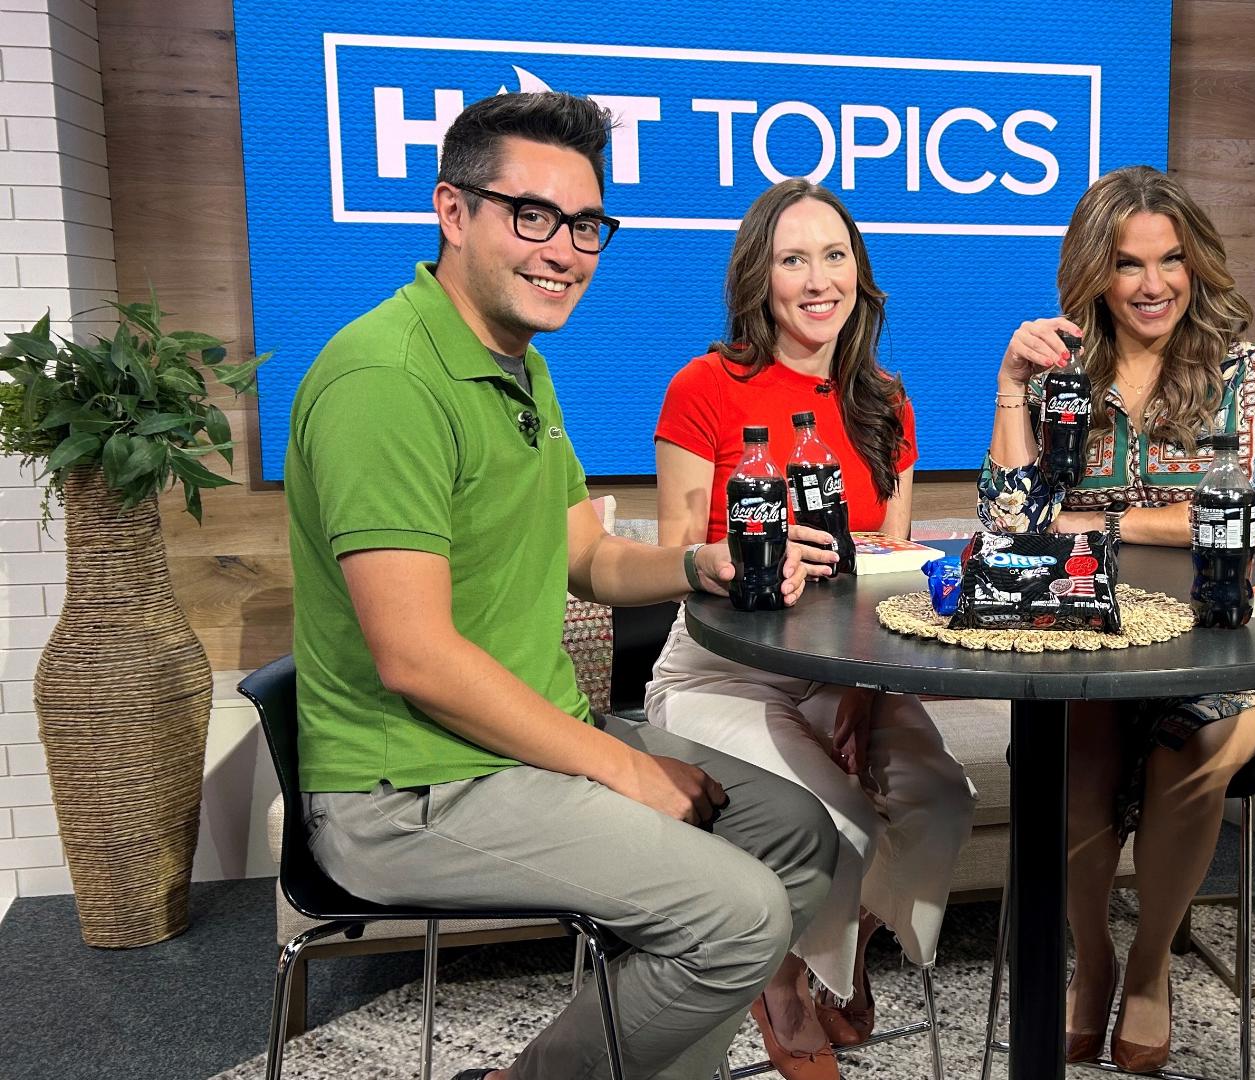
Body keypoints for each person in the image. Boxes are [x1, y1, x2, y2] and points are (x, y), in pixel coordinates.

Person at [284, 92, 840, 1080]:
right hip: (409, 786)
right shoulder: (384, 380)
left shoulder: (519, 367)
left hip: (514, 751)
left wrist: (693, 562)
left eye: (585, 225)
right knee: (740, 916)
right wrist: (621, 768)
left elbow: (590, 557)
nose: (563, 249)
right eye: (529, 216)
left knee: (797, 836)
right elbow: (413, 654)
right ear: (453, 212)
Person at [646, 179, 976, 1080]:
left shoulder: (884, 402)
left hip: (854, 671)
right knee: (844, 827)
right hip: (724, 672)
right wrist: (751, 546)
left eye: (836, 256)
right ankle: (788, 984)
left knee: (942, 802)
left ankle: (831, 951)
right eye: (795, 259)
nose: (818, 279)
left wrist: (870, 692)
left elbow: (887, 565)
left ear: (860, 278)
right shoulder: (704, 387)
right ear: (762, 277)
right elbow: (675, 555)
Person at [979, 165, 1255, 1073]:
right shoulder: (1059, 374)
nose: (1154, 284)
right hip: (1092, 636)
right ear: (1095, 274)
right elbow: (1009, 522)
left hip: (1225, 637)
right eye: (1129, 264)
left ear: (1196, 264)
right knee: (1070, 763)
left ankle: (1149, 965)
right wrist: (1008, 379)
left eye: (1172, 260)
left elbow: (1252, 518)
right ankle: (1093, 961)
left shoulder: (1244, 371)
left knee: (1196, 751)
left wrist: (1092, 518)